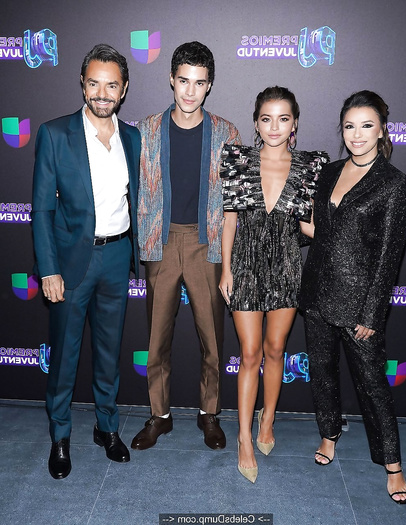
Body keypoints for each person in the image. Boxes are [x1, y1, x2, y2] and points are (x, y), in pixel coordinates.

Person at [32, 44, 141, 479]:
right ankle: (60, 436)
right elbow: (42, 208)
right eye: (94, 83)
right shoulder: (55, 133)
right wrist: (48, 269)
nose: (102, 93)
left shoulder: (132, 137)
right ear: (82, 84)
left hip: (117, 256)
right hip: (72, 261)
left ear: (124, 89)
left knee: (109, 353)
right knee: (64, 356)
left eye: (111, 85)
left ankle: (107, 427)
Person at [299, 90, 406, 504]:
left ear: (382, 130)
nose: (357, 134)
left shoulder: (395, 184)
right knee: (322, 373)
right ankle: (329, 434)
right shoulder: (329, 172)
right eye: (350, 126)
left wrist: (372, 314)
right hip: (316, 293)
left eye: (367, 125)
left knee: (372, 384)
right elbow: (319, 231)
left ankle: (393, 464)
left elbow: (388, 257)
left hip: (358, 302)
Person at [131, 41, 241, 452]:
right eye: (183, 81)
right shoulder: (145, 130)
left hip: (205, 241)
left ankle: (208, 413)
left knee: (212, 339)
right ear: (171, 80)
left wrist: (227, 261)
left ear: (209, 84)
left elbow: (233, 202)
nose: (190, 91)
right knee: (156, 339)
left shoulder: (227, 133)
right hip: (160, 240)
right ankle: (159, 416)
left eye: (199, 82)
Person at [219, 86, 328, 483]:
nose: (275, 127)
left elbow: (308, 226)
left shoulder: (310, 166)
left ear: (294, 123)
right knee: (249, 353)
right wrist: (226, 270)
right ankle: (244, 438)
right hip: (245, 266)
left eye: (283, 119)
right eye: (267, 119)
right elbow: (229, 221)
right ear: (256, 122)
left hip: (285, 267)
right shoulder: (238, 160)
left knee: (276, 349)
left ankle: (268, 421)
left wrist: (344, 234)